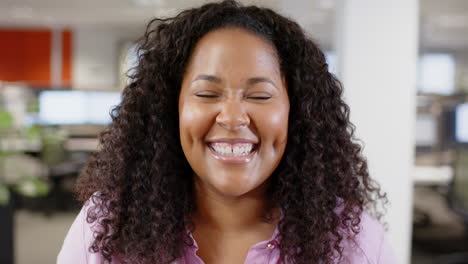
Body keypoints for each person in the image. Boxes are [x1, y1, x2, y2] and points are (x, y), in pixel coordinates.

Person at [57, 1, 397, 263]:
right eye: (207, 94)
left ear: (297, 113)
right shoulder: (105, 225)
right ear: (169, 110)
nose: (233, 118)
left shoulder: (356, 240)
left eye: (260, 96)